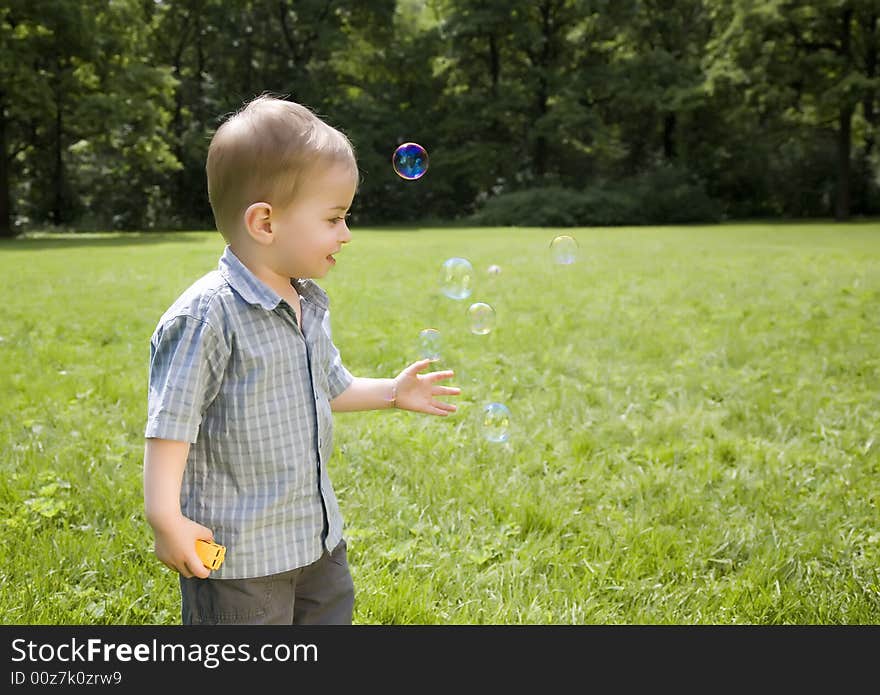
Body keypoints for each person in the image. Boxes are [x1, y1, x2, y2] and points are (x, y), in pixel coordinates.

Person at [142, 94, 461, 625]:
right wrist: (165, 517)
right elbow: (170, 427)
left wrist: (391, 393)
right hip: (242, 556)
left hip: (315, 538)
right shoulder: (206, 318)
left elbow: (331, 387)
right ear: (265, 223)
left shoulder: (306, 301)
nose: (347, 234)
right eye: (334, 218)